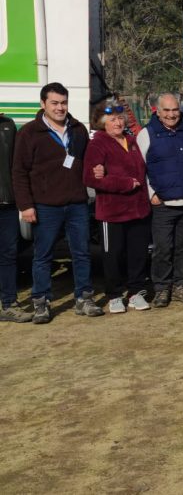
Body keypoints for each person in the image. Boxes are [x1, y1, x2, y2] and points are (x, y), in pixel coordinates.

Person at [12, 82, 101, 323]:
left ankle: (84, 297)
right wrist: (26, 205)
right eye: (54, 103)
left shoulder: (78, 129)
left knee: (81, 252)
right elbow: (19, 172)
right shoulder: (29, 133)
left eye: (63, 102)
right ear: (43, 104)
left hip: (76, 204)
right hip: (45, 205)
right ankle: (41, 301)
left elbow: (87, 159)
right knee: (43, 255)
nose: (60, 108)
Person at [137, 94, 183, 307]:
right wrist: (151, 194)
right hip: (164, 204)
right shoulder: (146, 134)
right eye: (166, 110)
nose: (171, 114)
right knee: (163, 249)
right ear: (157, 111)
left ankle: (179, 285)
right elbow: (140, 168)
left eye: (174, 110)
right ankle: (161, 288)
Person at [84, 104, 152, 313]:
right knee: (112, 254)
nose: (118, 123)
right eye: (112, 119)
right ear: (102, 124)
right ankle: (114, 295)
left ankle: (136, 292)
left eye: (120, 118)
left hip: (138, 209)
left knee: (138, 253)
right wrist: (124, 184)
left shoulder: (131, 141)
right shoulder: (97, 144)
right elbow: (90, 178)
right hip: (112, 211)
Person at [0, 113, 31, 322]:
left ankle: (9, 304)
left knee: (9, 255)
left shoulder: (8, 125)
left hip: (7, 204)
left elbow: (17, 166)